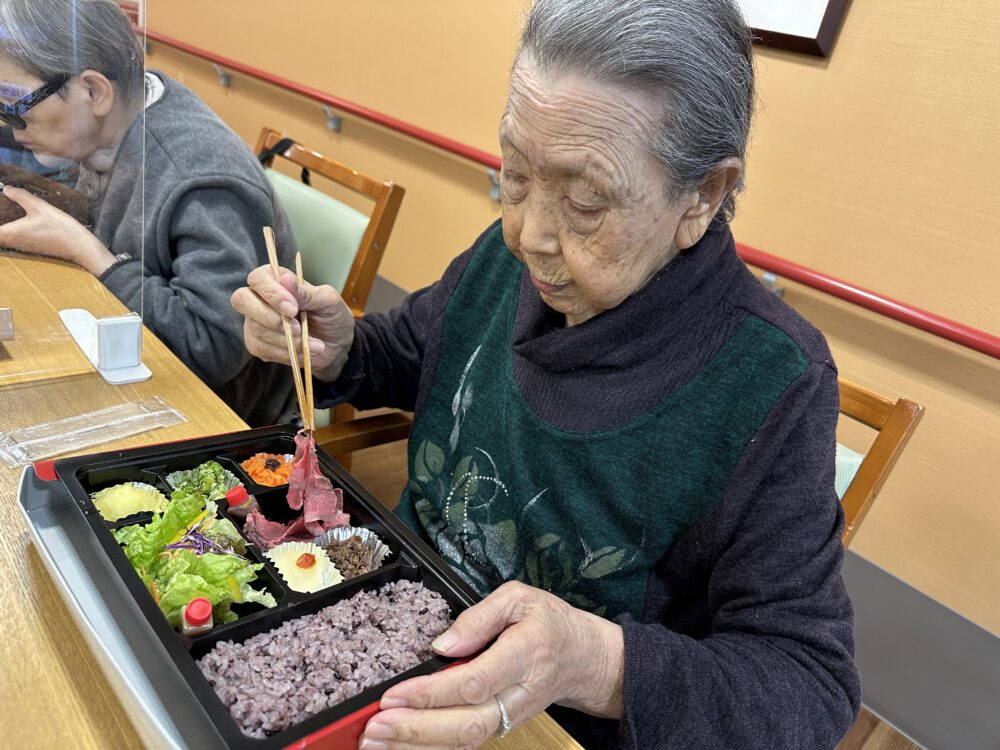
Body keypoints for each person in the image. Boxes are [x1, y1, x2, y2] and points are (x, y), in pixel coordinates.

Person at [232, 0, 861, 747]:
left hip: (546, 724)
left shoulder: (771, 380)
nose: (528, 234)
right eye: (514, 174)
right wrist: (340, 352)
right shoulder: (512, 257)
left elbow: (810, 684)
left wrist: (596, 661)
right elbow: (415, 355)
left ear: (703, 195)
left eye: (586, 199)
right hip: (385, 626)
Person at [0, 0, 295, 426]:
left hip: (221, 411)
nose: (11, 127)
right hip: (125, 343)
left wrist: (89, 251)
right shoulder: (121, 107)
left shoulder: (199, 178)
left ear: (94, 92)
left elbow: (210, 349)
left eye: (13, 107)